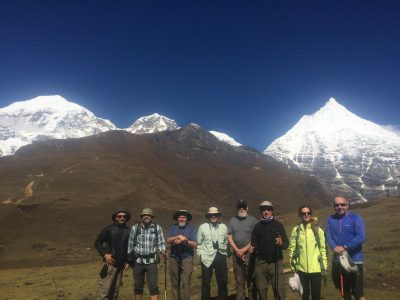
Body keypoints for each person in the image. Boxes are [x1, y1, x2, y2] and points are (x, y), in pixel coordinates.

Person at [325, 196, 366, 300]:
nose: (340, 207)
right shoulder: (330, 219)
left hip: (355, 260)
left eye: (342, 204)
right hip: (338, 261)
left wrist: (345, 247)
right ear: (333, 206)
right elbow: (328, 236)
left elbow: (361, 236)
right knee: (344, 292)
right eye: (336, 205)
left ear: (347, 205)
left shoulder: (355, 218)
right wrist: (334, 247)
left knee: (359, 294)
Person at [251, 200, 289, 300]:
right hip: (260, 263)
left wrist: (281, 243)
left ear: (272, 211)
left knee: (279, 289)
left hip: (276, 261)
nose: (266, 212)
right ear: (261, 211)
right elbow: (253, 242)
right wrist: (253, 248)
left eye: (268, 209)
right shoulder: (257, 226)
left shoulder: (278, 225)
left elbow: (286, 244)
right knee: (261, 290)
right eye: (263, 210)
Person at [288, 205, 328, 300]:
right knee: (304, 295)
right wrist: (293, 264)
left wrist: (324, 266)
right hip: (301, 269)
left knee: (316, 295)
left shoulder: (318, 229)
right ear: (300, 215)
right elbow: (292, 248)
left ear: (311, 214)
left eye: (308, 213)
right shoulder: (296, 229)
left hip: (316, 269)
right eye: (303, 213)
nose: (306, 215)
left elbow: (323, 248)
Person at [127, 208, 167, 300]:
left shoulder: (157, 228)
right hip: (138, 261)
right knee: (138, 287)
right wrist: (129, 259)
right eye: (144, 215)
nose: (146, 216)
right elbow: (130, 244)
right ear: (142, 217)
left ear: (152, 217)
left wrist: (162, 250)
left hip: (152, 262)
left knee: (153, 287)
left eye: (148, 215)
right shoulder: (135, 228)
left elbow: (161, 243)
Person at [94, 207, 131, 300]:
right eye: (120, 216)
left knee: (114, 292)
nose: (122, 218)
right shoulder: (109, 229)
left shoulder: (128, 230)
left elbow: (128, 247)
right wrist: (105, 254)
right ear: (115, 218)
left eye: (124, 216)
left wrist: (128, 261)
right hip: (109, 264)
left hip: (121, 265)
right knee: (104, 292)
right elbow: (98, 242)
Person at [228, 199, 258, 300]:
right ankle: (239, 297)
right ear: (237, 208)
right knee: (239, 281)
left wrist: (244, 250)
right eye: (240, 207)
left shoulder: (253, 220)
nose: (242, 208)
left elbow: (255, 237)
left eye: (243, 207)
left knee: (251, 280)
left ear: (247, 208)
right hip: (236, 256)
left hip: (249, 255)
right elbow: (229, 236)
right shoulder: (232, 220)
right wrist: (237, 251)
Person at [197, 207, 229, 300]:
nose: (213, 216)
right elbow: (199, 242)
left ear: (218, 216)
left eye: (215, 215)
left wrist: (225, 252)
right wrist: (201, 254)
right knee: (206, 282)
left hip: (220, 255)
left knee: (222, 281)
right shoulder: (202, 227)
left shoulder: (224, 227)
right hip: (207, 256)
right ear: (209, 216)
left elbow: (226, 241)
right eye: (211, 215)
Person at [167, 209, 198, 300]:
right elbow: (168, 240)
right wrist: (176, 238)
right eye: (180, 217)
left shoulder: (191, 228)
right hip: (173, 257)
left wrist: (185, 240)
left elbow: (195, 244)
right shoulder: (172, 227)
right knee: (175, 282)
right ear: (177, 218)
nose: (181, 219)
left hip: (187, 258)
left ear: (187, 218)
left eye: (184, 217)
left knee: (186, 281)